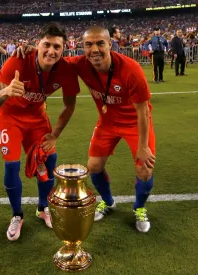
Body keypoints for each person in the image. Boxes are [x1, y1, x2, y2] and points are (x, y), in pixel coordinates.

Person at [14, 26, 156, 233]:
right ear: (82, 47)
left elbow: (143, 111)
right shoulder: (80, 64)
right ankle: (108, 203)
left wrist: (143, 146)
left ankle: (139, 207)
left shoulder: (130, 68)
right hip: (107, 122)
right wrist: (30, 51)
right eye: (89, 44)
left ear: (110, 44)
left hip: (136, 123)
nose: (95, 49)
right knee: (94, 167)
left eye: (100, 43)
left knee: (144, 169)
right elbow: (51, 57)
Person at [0, 23, 80, 241]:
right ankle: (17, 215)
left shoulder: (65, 69)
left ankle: (43, 208)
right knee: (11, 167)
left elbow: (70, 105)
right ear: (37, 45)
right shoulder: (18, 60)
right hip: (9, 118)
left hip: (37, 118)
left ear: (64, 49)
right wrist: (7, 91)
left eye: (57, 47)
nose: (51, 51)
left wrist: (55, 134)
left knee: (49, 161)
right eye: (46, 45)